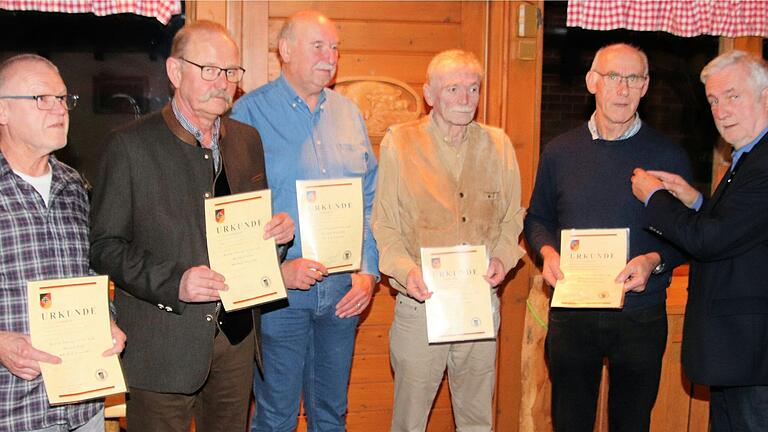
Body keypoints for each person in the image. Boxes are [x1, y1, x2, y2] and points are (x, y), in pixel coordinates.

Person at [89, 21, 294, 431]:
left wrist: (278, 239)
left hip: (236, 342)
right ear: (174, 71)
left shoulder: (246, 140)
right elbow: (104, 247)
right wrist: (174, 282)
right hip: (162, 347)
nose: (223, 83)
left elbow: (250, 238)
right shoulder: (129, 146)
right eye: (210, 69)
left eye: (232, 72)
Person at [524, 43, 692, 432]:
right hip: (572, 313)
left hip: (640, 314)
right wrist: (548, 251)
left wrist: (653, 261)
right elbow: (538, 217)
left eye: (634, 78)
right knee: (569, 422)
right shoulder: (560, 152)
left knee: (632, 423)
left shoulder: (668, 156)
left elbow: (686, 235)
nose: (623, 88)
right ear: (592, 82)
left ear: (646, 86)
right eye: (613, 77)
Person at [230, 10, 378, 432]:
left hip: (343, 291)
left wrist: (368, 272)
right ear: (285, 50)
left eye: (335, 48)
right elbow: (232, 215)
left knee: (331, 413)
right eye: (319, 46)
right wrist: (276, 270)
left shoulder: (350, 113)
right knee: (274, 416)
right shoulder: (248, 115)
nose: (329, 56)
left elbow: (368, 198)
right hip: (281, 293)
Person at [371, 49, 524, 431]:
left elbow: (512, 219)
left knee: (476, 420)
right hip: (419, 304)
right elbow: (385, 224)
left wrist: (504, 260)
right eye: (453, 88)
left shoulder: (499, 145)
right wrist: (406, 271)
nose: (464, 98)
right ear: (429, 94)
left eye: (473, 88)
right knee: (409, 422)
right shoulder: (400, 143)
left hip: (479, 305)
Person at [632, 50, 768, 432]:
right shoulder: (746, 156)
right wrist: (693, 200)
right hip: (740, 353)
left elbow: (709, 240)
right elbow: (739, 229)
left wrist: (654, 196)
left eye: (732, 96)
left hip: (754, 352)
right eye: (713, 100)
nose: (721, 110)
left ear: (765, 97)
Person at [0, 54, 126, 432]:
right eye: (42, 99)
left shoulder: (73, 185)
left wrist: (107, 318)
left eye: (63, 99)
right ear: (2, 112)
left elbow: (86, 271)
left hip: (82, 404)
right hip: (14, 409)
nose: (60, 109)